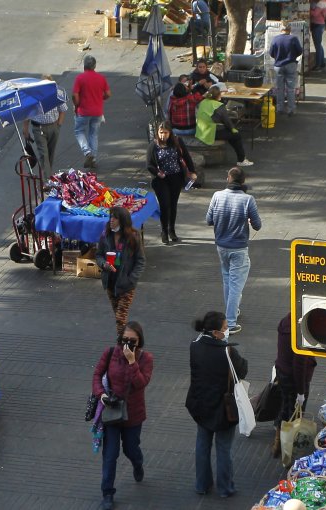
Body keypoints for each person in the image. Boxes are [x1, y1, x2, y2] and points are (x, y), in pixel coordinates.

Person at [185, 311, 248, 498]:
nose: (227, 331)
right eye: (225, 328)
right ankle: (225, 487)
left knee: (202, 445)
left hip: (200, 404)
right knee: (223, 448)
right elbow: (243, 370)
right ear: (215, 333)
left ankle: (201, 484)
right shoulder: (228, 352)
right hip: (223, 408)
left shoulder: (194, 346)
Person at [92, 321, 154, 510]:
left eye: (132, 341)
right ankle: (107, 493)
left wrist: (132, 362)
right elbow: (96, 376)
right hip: (112, 411)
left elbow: (141, 383)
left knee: (131, 448)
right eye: (124, 339)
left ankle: (138, 463)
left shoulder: (146, 359)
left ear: (139, 341)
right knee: (110, 455)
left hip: (133, 414)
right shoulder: (110, 353)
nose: (127, 344)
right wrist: (101, 394)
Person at [206, 168, 262, 335]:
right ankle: (230, 322)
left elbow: (209, 220)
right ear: (243, 182)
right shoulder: (248, 200)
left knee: (228, 280)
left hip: (221, 246)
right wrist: (248, 219)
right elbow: (257, 225)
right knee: (236, 284)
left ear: (228, 179)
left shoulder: (217, 196)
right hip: (238, 247)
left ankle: (233, 311)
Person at [271, 313, 316, 457]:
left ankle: (277, 441)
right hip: (294, 379)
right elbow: (299, 365)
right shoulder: (300, 334)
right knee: (295, 414)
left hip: (282, 372)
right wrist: (301, 392)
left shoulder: (285, 322)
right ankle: (290, 450)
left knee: (284, 406)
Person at [96, 207, 146, 336]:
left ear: (122, 220)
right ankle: (125, 341)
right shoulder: (105, 235)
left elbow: (140, 260)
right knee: (118, 316)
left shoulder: (133, 237)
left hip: (126, 285)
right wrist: (104, 264)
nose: (111, 220)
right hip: (111, 283)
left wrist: (131, 279)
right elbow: (99, 255)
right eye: (110, 217)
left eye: (115, 218)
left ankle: (122, 346)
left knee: (120, 318)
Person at [146, 121, 197, 244]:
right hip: (161, 180)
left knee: (173, 204)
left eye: (165, 132)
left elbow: (186, 157)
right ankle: (164, 231)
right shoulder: (153, 145)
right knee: (164, 205)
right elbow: (149, 165)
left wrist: (192, 171)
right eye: (161, 132)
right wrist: (158, 173)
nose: (163, 135)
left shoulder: (177, 142)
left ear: (170, 133)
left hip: (176, 178)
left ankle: (171, 229)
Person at [22, 74, 69, 178]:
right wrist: (25, 130)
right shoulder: (35, 96)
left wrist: (58, 126)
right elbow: (27, 114)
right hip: (39, 128)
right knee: (44, 154)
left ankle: (48, 175)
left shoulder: (56, 94)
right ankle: (47, 181)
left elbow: (63, 110)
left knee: (51, 154)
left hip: (53, 127)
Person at [195, 85, 254, 167]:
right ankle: (241, 159)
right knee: (236, 135)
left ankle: (241, 158)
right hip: (210, 133)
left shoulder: (203, 102)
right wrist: (233, 128)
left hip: (201, 131)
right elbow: (227, 121)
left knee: (231, 136)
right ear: (219, 95)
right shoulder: (218, 106)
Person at [72, 55, 111, 169]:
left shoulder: (80, 78)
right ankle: (92, 158)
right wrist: (100, 98)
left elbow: (75, 95)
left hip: (83, 111)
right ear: (94, 66)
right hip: (97, 112)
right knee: (93, 134)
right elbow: (108, 94)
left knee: (79, 131)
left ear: (84, 66)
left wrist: (77, 104)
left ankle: (87, 152)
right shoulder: (101, 78)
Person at [270, 22, 303, 116]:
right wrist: (292, 56)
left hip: (278, 65)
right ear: (290, 30)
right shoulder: (293, 39)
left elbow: (271, 53)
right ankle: (291, 109)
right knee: (290, 89)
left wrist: (277, 57)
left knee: (279, 88)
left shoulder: (275, 39)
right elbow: (299, 51)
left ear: (281, 30)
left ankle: (279, 108)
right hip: (291, 64)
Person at [310, 0, 326, 71]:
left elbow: (315, 14)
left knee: (317, 45)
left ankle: (318, 64)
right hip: (315, 24)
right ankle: (322, 62)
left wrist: (306, 9)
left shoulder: (322, 2)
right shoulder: (315, 2)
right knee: (318, 44)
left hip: (318, 25)